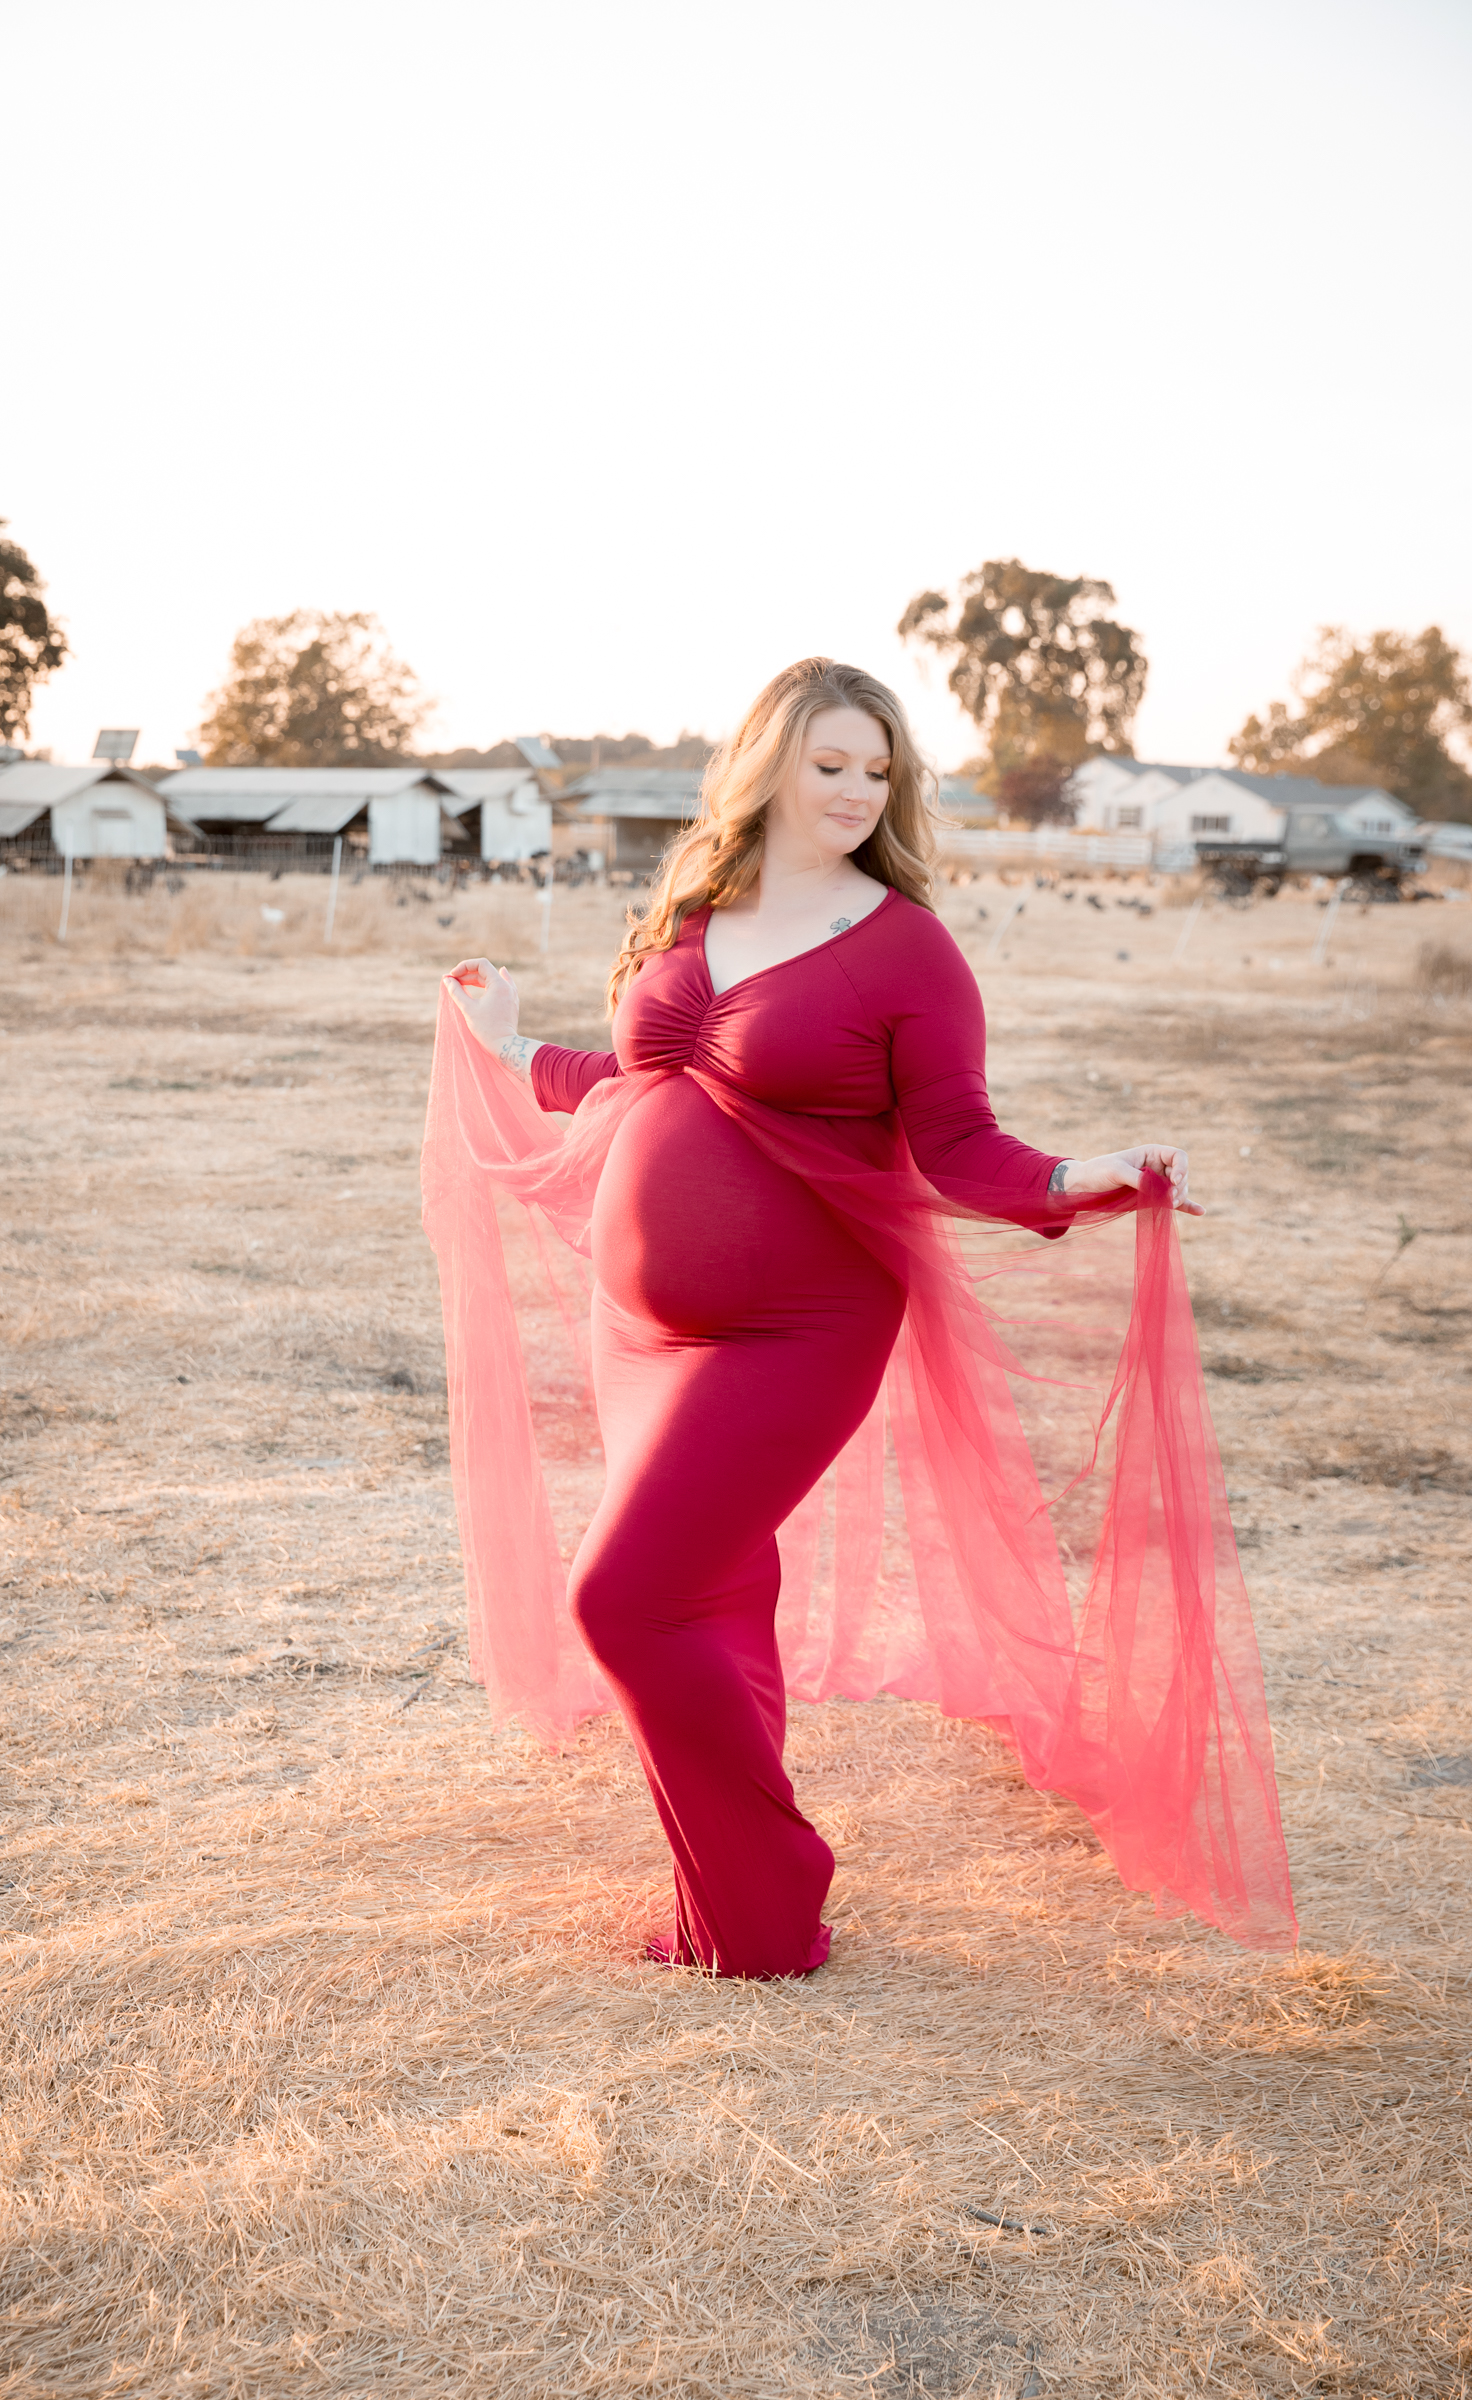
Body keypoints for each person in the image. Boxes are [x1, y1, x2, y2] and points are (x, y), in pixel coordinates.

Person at [433, 659, 1291, 1976]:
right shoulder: (696, 910)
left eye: (877, 771)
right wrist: (506, 1051)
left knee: (624, 1597)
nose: (855, 791)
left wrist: (1077, 1181)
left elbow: (957, 1143)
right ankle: (743, 1914)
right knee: (714, 1594)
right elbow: (638, 1081)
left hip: (800, 1328)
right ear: (768, 764)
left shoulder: (907, 950)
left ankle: (777, 1878)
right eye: (831, 764)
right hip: (648, 1336)